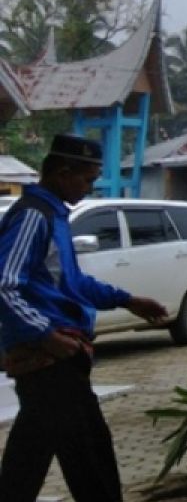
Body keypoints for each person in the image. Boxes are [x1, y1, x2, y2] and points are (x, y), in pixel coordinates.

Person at [0, 133, 168, 502]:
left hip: (59, 355)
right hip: (49, 357)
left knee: (31, 457)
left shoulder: (55, 215)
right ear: (63, 172)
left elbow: (72, 283)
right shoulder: (33, 216)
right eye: (88, 179)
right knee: (89, 455)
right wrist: (46, 335)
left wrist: (127, 301)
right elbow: (5, 285)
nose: (90, 188)